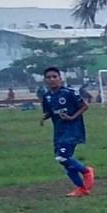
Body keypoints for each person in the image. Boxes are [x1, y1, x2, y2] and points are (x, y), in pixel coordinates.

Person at [39, 66, 96, 197]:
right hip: (59, 131)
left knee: (62, 157)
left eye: (54, 77)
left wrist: (72, 117)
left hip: (73, 130)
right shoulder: (47, 96)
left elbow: (85, 106)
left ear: (60, 78)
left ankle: (86, 171)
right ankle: (82, 189)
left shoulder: (69, 93)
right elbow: (51, 112)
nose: (52, 79)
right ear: (45, 80)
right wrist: (44, 117)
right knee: (65, 162)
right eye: (49, 77)